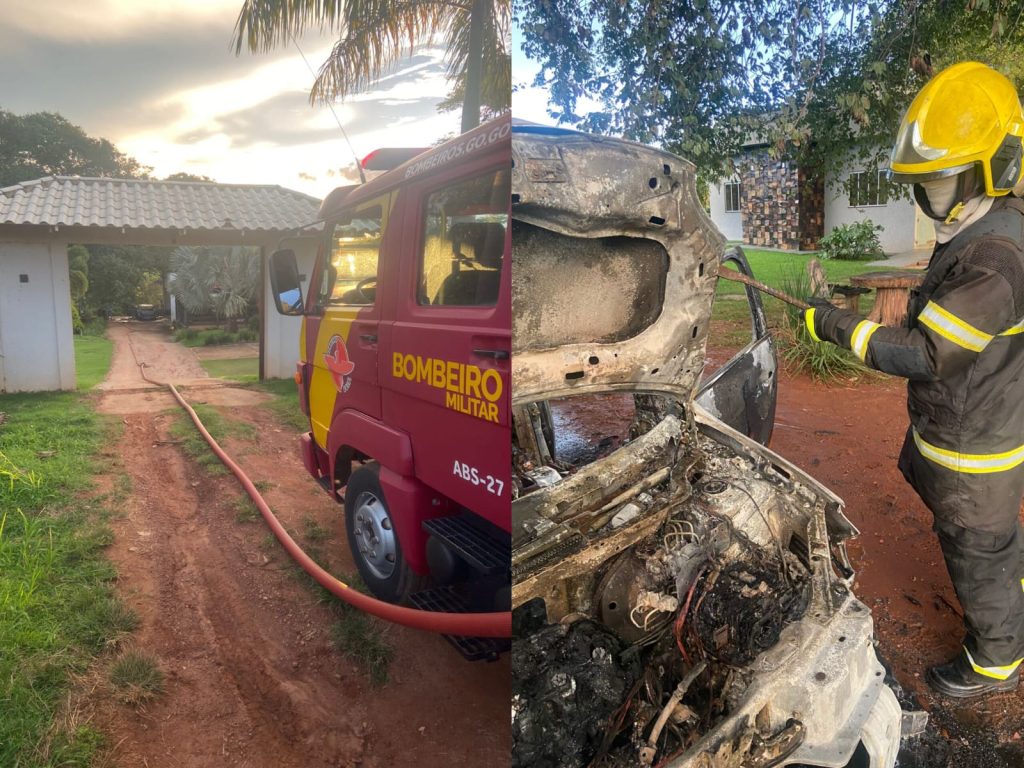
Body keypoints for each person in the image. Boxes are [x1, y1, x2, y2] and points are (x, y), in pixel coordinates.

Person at [805, 61, 1024, 698]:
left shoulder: (993, 255)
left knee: (974, 546)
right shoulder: (990, 226)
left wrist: (839, 328)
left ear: (994, 166)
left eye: (940, 183)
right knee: (994, 543)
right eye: (923, 184)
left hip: (973, 447)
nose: (929, 199)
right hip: (980, 422)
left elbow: (930, 356)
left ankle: (996, 662)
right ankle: (1009, 606)